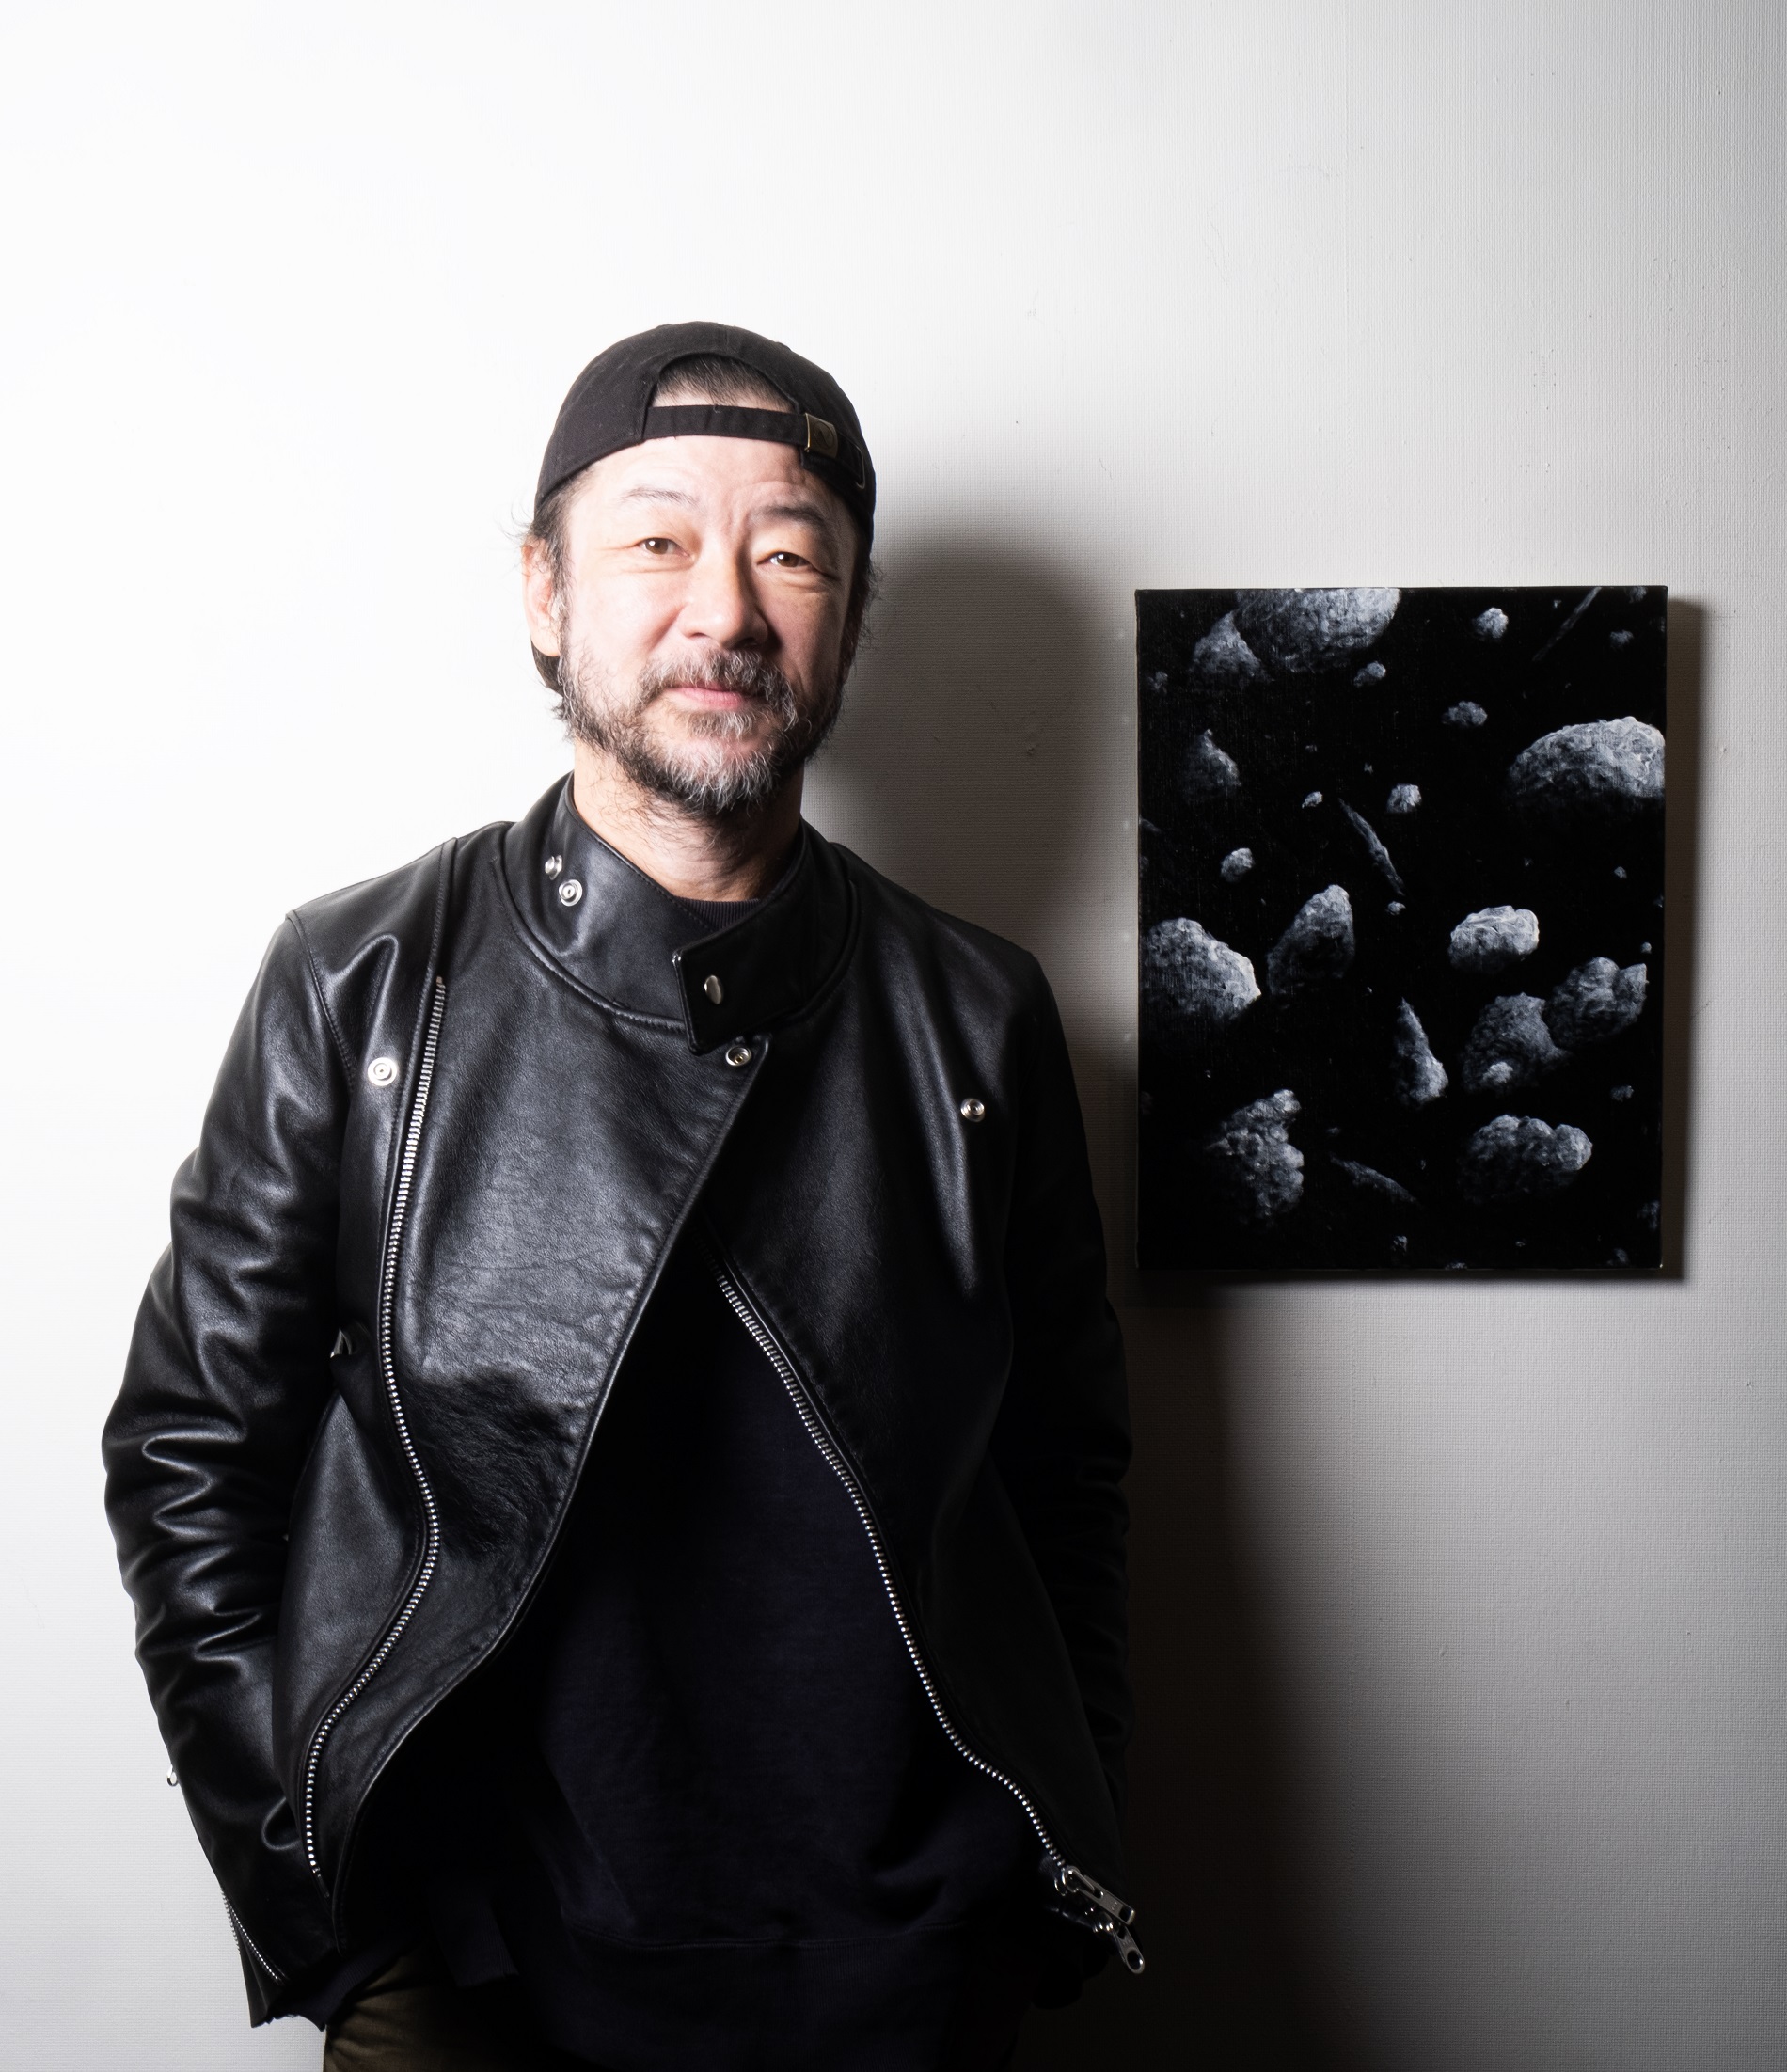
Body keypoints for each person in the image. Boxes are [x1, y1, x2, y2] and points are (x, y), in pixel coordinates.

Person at [103, 322, 1138, 2071]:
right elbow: (189, 1456)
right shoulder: (362, 987)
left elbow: (1068, 1481)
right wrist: (336, 1926)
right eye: (657, 540)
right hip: (478, 1972)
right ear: (545, 591)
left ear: (848, 620)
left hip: (903, 1979)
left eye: (792, 555)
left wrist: (1045, 1871)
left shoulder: (981, 1017)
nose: (725, 610)